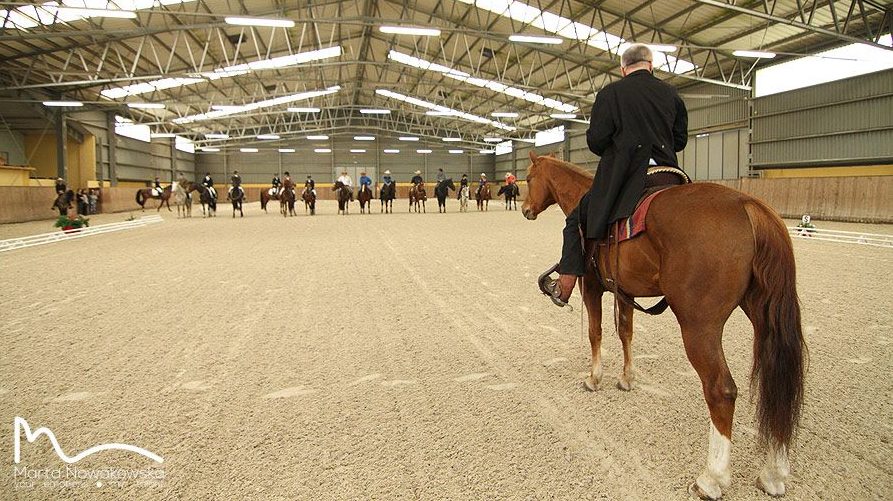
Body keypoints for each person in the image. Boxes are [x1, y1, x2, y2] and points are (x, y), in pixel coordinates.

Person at [550, 44, 688, 305]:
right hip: (667, 172)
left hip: (625, 175)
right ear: (651, 65)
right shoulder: (670, 93)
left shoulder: (610, 93)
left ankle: (566, 282)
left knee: (576, 219)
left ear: (623, 69)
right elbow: (679, 140)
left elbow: (597, 141)